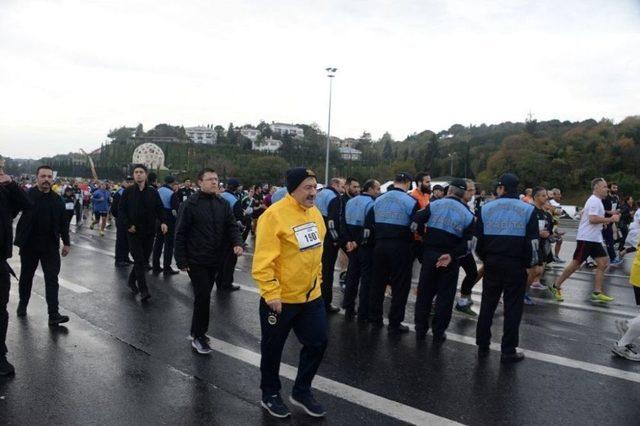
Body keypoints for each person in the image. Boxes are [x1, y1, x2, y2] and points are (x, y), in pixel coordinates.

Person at [252, 167, 328, 419]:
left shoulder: (315, 214)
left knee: (318, 342)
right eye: (307, 187)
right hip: (280, 299)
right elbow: (263, 261)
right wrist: (271, 292)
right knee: (273, 349)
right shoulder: (273, 216)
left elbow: (316, 253)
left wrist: (317, 283)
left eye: (315, 187)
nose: (313, 192)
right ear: (292, 189)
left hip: (310, 296)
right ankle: (270, 393)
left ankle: (302, 390)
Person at [174, 168, 243, 354]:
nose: (214, 182)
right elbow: (180, 233)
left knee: (205, 296)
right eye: (210, 179)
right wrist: (181, 260)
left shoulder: (222, 203)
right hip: (196, 259)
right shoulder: (190, 205)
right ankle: (198, 335)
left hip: (216, 259)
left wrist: (238, 243)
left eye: (216, 179)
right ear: (200, 182)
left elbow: (232, 226)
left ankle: (198, 331)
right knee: (203, 296)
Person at [475, 173, 538, 363]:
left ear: (501, 188)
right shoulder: (528, 209)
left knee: (488, 304)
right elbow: (533, 243)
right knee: (512, 307)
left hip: (493, 262)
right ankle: (508, 350)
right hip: (516, 264)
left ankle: (482, 343)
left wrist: (486, 259)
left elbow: (478, 242)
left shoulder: (486, 208)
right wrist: (529, 265)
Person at [414, 178, 475, 342]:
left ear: (450, 191)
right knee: (445, 297)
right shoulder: (468, 215)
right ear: (463, 194)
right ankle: (439, 331)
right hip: (450, 258)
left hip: (430, 253)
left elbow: (416, 220)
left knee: (425, 293)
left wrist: (423, 239)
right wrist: (453, 255)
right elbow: (469, 244)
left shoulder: (434, 205)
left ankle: (420, 328)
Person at [14, 165, 72, 326]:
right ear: (37, 178)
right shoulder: (27, 195)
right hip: (29, 245)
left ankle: (53, 314)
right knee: (26, 277)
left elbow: (63, 223)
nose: (46, 179)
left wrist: (66, 243)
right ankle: (23, 304)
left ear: (52, 179)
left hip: (50, 246)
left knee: (52, 279)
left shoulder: (57, 199)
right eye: (43, 176)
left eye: (49, 176)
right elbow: (11, 211)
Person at [548, 178, 620, 303]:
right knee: (575, 264)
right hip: (586, 238)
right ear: (596, 188)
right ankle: (556, 286)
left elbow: (587, 216)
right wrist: (610, 219)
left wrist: (602, 223)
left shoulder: (597, 201)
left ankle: (597, 292)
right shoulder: (594, 201)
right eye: (604, 187)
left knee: (603, 262)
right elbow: (592, 219)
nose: (606, 189)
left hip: (594, 238)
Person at [369, 172, 418, 335]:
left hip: (380, 245)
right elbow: (415, 227)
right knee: (400, 286)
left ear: (395, 182)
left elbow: (370, 223)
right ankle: (395, 323)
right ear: (408, 183)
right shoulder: (411, 201)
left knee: (378, 283)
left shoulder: (378, 199)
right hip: (401, 246)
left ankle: (375, 318)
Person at [0, 161, 32, 375]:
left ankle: (0, 355)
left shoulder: (4, 192)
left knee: (1, 311)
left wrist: (10, 184)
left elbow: (26, 204)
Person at [118, 164, 168, 301]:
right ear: (133, 175)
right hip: (133, 232)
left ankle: (130, 280)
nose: (138, 174)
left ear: (146, 175)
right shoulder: (128, 192)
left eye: (141, 172)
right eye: (136, 172)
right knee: (139, 260)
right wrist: (128, 225)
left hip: (149, 232)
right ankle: (143, 290)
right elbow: (120, 210)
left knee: (144, 260)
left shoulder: (152, 192)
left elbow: (159, 208)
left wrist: (163, 222)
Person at [342, 179, 380, 322]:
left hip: (351, 243)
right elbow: (368, 228)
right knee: (366, 280)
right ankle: (363, 312)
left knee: (352, 276)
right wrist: (358, 242)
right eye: (376, 189)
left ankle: (348, 306)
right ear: (369, 189)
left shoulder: (350, 201)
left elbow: (343, 224)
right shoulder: (372, 204)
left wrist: (348, 241)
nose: (378, 192)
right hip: (365, 246)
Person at [315, 177, 346, 313]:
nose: (343, 188)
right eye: (342, 185)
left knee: (315, 269)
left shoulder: (319, 193)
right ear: (335, 184)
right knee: (327, 272)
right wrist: (336, 239)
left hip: (315, 233)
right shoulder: (335, 197)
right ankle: (325, 303)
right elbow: (332, 221)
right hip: (327, 236)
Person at [526, 188, 554, 299]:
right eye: (543, 195)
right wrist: (538, 233)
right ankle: (520, 293)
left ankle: (524, 291)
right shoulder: (529, 210)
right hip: (530, 245)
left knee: (539, 270)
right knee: (533, 270)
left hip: (541, 245)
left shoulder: (546, 214)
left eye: (546, 195)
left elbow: (548, 229)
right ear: (536, 197)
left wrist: (553, 235)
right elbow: (524, 228)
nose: (546, 197)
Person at [217, 179, 244, 292]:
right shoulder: (234, 200)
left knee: (220, 259)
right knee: (230, 260)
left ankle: (218, 282)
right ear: (236, 187)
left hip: (217, 231)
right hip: (230, 233)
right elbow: (239, 217)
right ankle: (226, 284)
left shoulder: (219, 196)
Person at [152, 176, 180, 275]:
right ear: (173, 183)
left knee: (158, 243)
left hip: (158, 219)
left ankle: (155, 265)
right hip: (169, 221)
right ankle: (167, 267)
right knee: (169, 245)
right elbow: (175, 210)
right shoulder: (172, 194)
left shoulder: (158, 190)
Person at [111, 177, 134, 267]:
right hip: (121, 219)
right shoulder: (120, 193)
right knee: (121, 240)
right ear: (124, 182)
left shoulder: (130, 192)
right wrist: (118, 217)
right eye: (128, 182)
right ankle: (119, 259)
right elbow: (114, 208)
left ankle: (125, 257)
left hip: (128, 219)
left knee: (127, 240)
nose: (130, 183)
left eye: (131, 182)